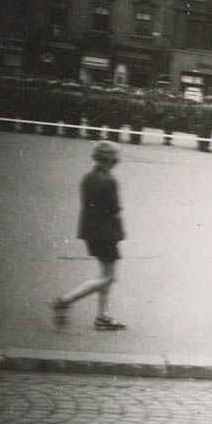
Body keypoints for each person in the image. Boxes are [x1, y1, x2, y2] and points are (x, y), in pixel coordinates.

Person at [49, 141, 127, 331]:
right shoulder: (109, 180)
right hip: (105, 232)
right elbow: (114, 208)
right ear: (111, 158)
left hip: (91, 231)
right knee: (108, 277)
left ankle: (102, 317)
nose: (118, 159)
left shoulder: (89, 177)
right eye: (116, 155)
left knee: (105, 274)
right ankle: (64, 301)